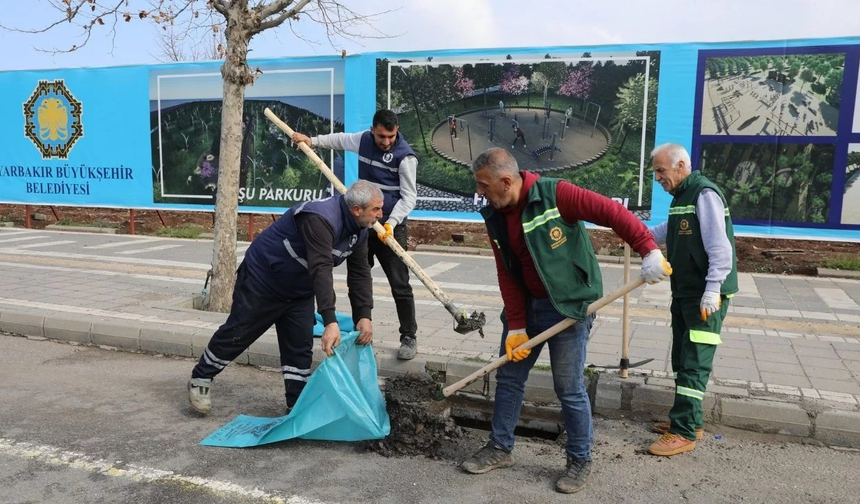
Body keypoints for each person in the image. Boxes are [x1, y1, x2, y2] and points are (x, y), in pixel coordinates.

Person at [460, 148, 671, 493]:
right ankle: (500, 448)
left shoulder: (557, 194)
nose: (480, 192)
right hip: (527, 310)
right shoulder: (496, 214)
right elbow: (506, 273)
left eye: (484, 185)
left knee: (568, 388)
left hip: (569, 308)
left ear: (506, 181)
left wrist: (649, 249)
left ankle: (579, 459)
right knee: (509, 378)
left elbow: (613, 212)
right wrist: (515, 324)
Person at [187, 181, 383, 415]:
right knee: (239, 333)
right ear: (356, 210)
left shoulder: (361, 229)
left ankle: (296, 405)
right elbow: (321, 268)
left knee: (299, 345)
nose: (380, 215)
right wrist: (330, 321)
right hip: (264, 280)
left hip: (299, 290)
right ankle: (201, 378)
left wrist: (364, 315)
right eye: (376, 209)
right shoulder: (320, 218)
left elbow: (360, 272)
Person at [291, 110, 420, 360]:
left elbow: (409, 197)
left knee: (400, 283)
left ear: (397, 131)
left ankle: (409, 335)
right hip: (361, 223)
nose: (386, 142)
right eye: (381, 136)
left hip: (390, 226)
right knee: (358, 276)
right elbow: (339, 140)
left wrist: (391, 223)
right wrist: (312, 141)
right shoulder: (362, 140)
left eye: (391, 136)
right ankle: (362, 328)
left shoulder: (406, 158)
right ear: (373, 130)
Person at [646, 143, 738, 457]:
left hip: (704, 297)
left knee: (694, 364)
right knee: (682, 360)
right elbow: (667, 231)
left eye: (661, 170)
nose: (657, 177)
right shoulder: (682, 198)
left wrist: (713, 288)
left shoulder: (704, 194)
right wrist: (636, 235)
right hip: (685, 292)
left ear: (681, 165)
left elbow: (720, 248)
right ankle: (689, 421)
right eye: (655, 172)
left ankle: (683, 432)